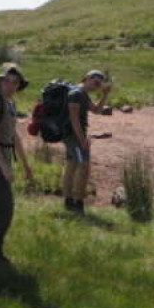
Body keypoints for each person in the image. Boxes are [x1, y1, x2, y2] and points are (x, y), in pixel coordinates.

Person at [0, 64, 34, 264]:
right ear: (0, 82)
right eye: (7, 81)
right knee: (5, 207)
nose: (11, 85)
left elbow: (14, 136)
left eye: (15, 82)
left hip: (3, 158)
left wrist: (25, 165)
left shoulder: (9, 103)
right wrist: (3, 166)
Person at [62, 70, 112, 214]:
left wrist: (105, 95)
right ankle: (77, 202)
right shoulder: (76, 93)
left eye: (99, 84)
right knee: (83, 166)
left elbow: (96, 110)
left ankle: (69, 200)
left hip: (74, 135)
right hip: (73, 136)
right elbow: (74, 119)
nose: (97, 86)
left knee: (72, 165)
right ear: (86, 78)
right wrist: (82, 139)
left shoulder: (82, 94)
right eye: (95, 82)